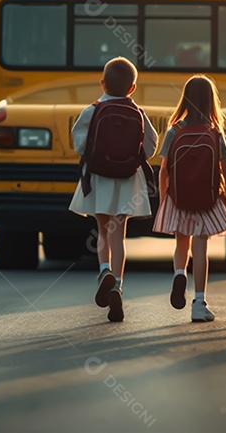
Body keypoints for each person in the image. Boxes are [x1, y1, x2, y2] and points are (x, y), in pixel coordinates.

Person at [69, 57, 158, 323]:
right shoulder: (139, 113)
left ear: (102, 83)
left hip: (99, 178)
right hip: (128, 181)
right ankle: (117, 284)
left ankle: (104, 270)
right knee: (118, 234)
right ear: (132, 88)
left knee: (102, 230)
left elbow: (80, 145)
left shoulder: (92, 111)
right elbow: (150, 148)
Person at [153, 75, 226, 322]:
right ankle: (199, 302)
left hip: (178, 198)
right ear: (212, 101)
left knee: (182, 243)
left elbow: (164, 170)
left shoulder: (174, 131)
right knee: (201, 248)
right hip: (207, 199)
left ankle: (180, 273)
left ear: (185, 100)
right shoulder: (215, 133)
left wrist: (164, 199)